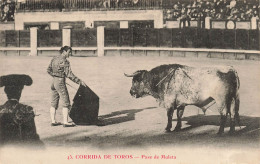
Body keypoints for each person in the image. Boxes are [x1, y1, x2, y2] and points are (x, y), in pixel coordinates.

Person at [47, 46, 87, 127]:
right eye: (69, 52)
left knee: (54, 101)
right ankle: (65, 122)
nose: (70, 54)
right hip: (60, 82)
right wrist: (79, 81)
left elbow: (48, 70)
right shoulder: (65, 61)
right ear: (64, 52)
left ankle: (53, 121)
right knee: (66, 102)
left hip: (54, 82)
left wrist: (56, 76)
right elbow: (69, 75)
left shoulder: (54, 58)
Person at [0, 74, 42, 146]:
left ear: (6, 92)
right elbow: (32, 137)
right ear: (20, 92)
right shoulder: (26, 110)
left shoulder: (1, 109)